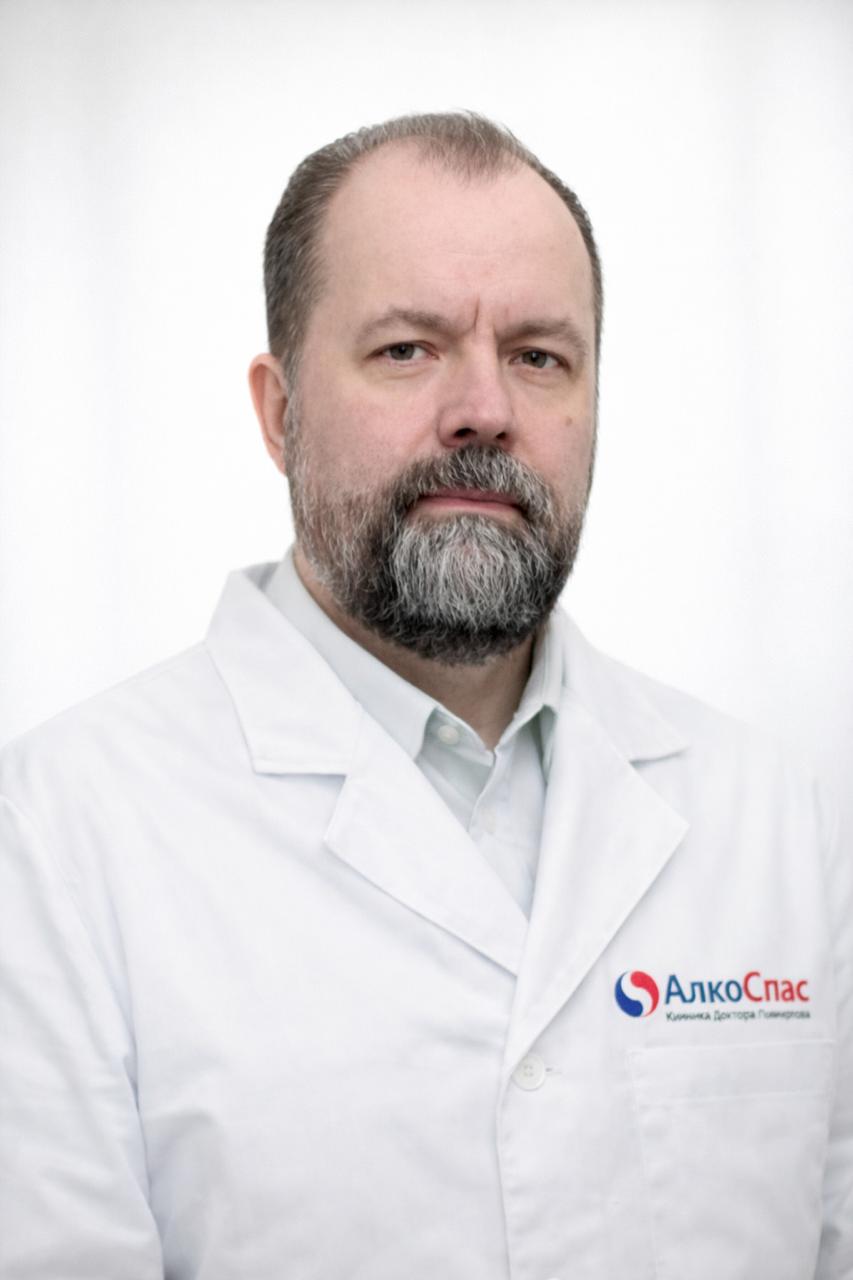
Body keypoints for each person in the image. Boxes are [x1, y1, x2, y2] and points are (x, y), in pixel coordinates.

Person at [0, 112, 849, 1280]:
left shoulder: (776, 821)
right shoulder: (54, 835)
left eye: (540, 356)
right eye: (407, 348)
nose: (484, 407)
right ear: (280, 412)